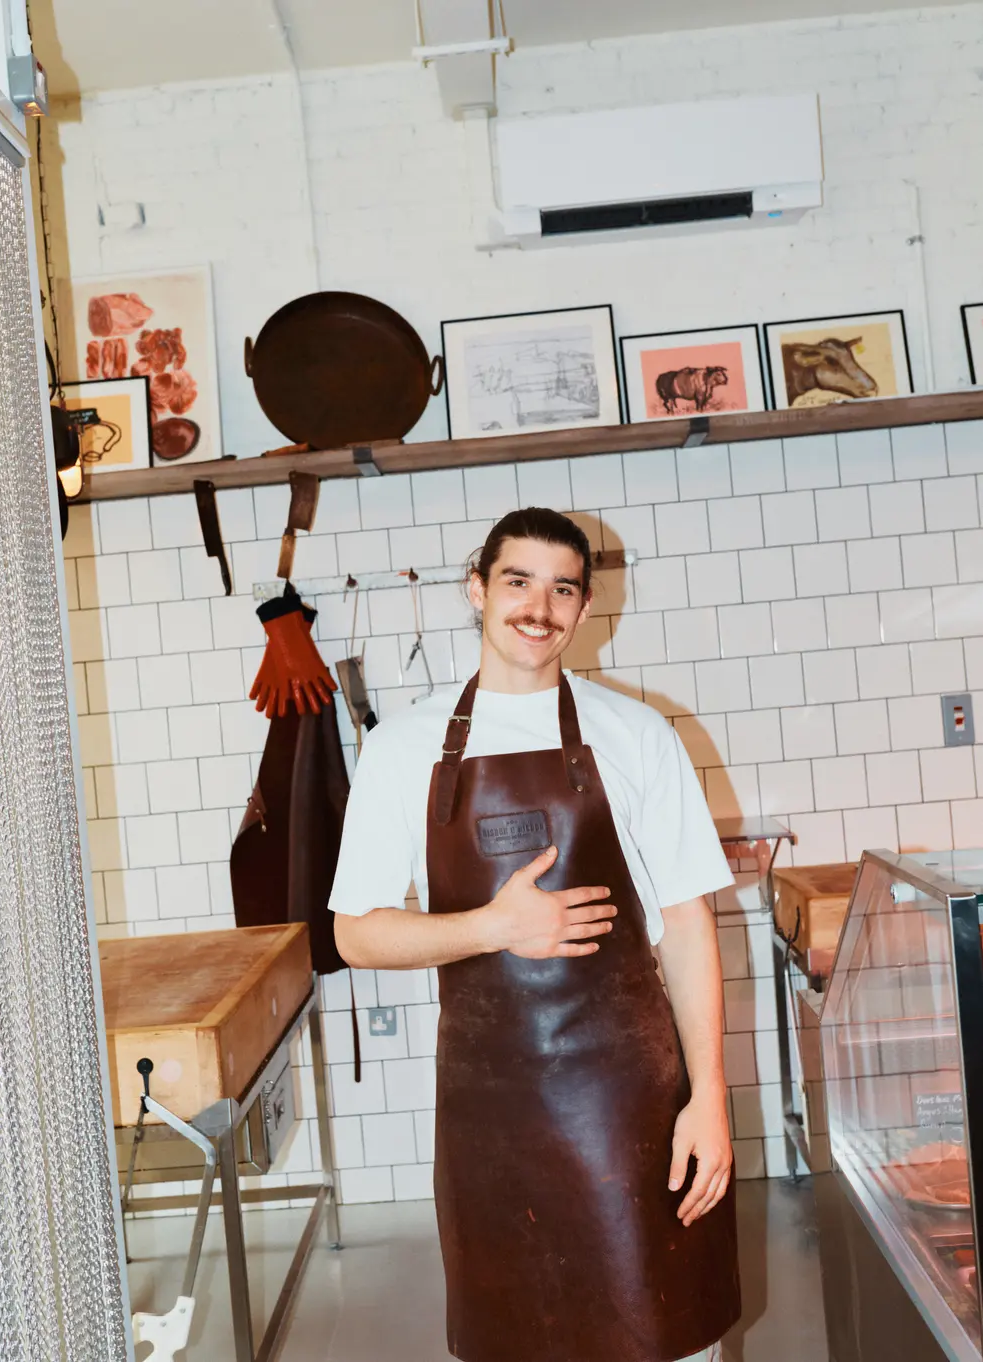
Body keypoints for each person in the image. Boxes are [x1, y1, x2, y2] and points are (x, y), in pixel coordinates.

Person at [330, 506, 741, 1362]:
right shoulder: (402, 750)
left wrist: (710, 1098)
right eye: (517, 582)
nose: (537, 608)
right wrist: (492, 926)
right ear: (476, 589)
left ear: (585, 609)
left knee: (664, 1332)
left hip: (629, 1101)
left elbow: (685, 925)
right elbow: (355, 936)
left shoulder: (636, 736)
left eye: (561, 589)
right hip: (491, 1116)